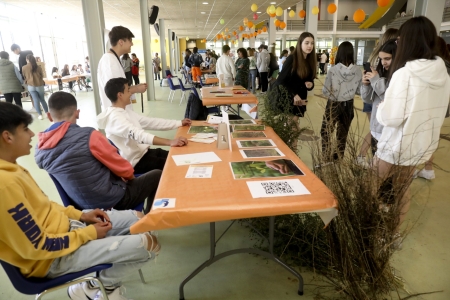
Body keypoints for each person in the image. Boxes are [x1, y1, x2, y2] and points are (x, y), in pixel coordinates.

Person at [0, 102, 160, 300]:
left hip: (70, 228)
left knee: (140, 220)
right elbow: (39, 247)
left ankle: (97, 284)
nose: (32, 134)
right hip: (51, 259)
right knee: (149, 244)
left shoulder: (13, 168)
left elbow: (47, 206)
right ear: (7, 137)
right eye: (25, 129)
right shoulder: (4, 184)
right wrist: (89, 233)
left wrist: (82, 215)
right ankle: (96, 287)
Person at [373, 17, 450, 241]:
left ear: (408, 41)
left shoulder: (404, 74)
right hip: (420, 144)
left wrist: (381, 108)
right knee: (403, 190)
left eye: (399, 40)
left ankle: (367, 230)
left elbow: (391, 117)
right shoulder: (443, 74)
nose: (398, 44)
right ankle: (393, 234)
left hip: (395, 144)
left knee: (370, 186)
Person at [34, 91, 161, 213]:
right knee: (157, 175)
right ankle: (148, 218)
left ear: (49, 116)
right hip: (112, 202)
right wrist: (131, 178)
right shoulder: (89, 136)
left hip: (82, 209)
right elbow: (123, 168)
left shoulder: (40, 149)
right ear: (77, 113)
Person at [97, 78, 191, 173]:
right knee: (178, 166)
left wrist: (178, 123)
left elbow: (150, 122)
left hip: (145, 153)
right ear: (120, 95)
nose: (131, 93)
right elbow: (139, 135)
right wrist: (170, 142)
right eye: (128, 90)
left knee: (179, 157)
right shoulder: (115, 118)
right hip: (137, 163)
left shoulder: (124, 111)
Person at [357, 28, 399, 166]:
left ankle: (362, 156)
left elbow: (391, 99)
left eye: (387, 59)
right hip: (377, 128)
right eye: (381, 59)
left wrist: (375, 81)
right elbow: (367, 99)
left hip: (389, 131)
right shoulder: (380, 71)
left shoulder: (399, 76)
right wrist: (366, 85)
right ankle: (362, 156)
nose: (383, 63)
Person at [412, 36, 450, 180]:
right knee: (433, 136)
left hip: (427, 106)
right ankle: (428, 168)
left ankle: (414, 166)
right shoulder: (447, 66)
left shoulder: (431, 67)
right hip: (442, 107)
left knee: (419, 135)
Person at [272, 32, 316, 149]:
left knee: (294, 125)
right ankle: (291, 150)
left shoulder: (310, 60)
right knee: (292, 126)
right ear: (300, 43)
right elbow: (281, 80)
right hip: (290, 97)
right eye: (306, 43)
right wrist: (293, 95)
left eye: (311, 43)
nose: (309, 46)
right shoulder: (292, 58)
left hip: (301, 98)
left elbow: (309, 81)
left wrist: (310, 84)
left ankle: (291, 151)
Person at [321, 41, 362, 162]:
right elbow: (359, 91)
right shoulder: (358, 70)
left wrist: (335, 95)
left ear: (339, 53)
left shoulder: (333, 70)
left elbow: (325, 91)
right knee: (342, 134)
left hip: (333, 104)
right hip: (348, 105)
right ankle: (337, 158)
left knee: (326, 131)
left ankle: (325, 156)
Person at [97, 26, 147, 111]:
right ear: (121, 42)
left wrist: (136, 86)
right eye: (130, 41)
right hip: (117, 114)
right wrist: (137, 89)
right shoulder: (109, 62)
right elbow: (116, 92)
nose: (132, 44)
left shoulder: (113, 59)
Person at [22, 54, 49, 120]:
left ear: (27, 59)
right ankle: (47, 113)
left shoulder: (24, 67)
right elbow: (42, 76)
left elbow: (24, 76)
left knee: (35, 100)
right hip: (39, 85)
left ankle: (40, 115)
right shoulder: (38, 67)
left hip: (30, 86)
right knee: (42, 99)